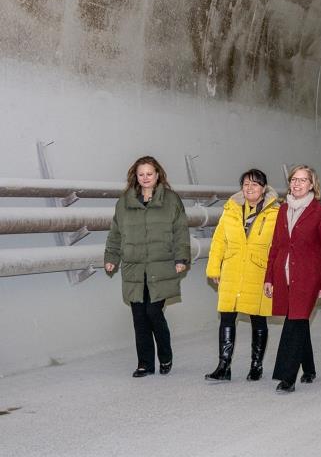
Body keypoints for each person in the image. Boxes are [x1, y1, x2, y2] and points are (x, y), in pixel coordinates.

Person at [104, 156, 190, 377]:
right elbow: (115, 233)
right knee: (139, 317)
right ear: (136, 176)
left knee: (153, 312)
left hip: (160, 267)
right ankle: (145, 363)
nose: (145, 178)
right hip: (134, 268)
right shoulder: (124, 202)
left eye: (149, 174)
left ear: (158, 174)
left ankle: (165, 355)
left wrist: (181, 258)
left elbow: (181, 231)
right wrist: (111, 256)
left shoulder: (171, 200)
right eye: (141, 174)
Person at [264, 165, 321, 393]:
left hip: (308, 278)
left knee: (294, 323)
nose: (297, 184)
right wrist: (269, 278)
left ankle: (287, 377)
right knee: (299, 320)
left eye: (303, 180)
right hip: (283, 274)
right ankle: (310, 368)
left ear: (312, 184)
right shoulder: (283, 209)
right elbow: (275, 246)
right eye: (294, 179)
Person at [204, 169, 280, 382]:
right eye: (246, 184)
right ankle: (223, 366)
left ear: (264, 188)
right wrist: (214, 268)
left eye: (255, 184)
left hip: (258, 271)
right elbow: (219, 241)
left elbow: (278, 247)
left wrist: (274, 276)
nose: (249, 188)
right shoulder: (231, 210)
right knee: (227, 316)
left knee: (258, 318)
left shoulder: (275, 213)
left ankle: (256, 366)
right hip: (232, 270)